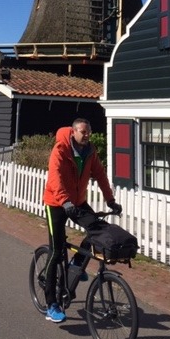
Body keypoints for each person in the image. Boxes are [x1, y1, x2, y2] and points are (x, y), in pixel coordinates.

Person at [42, 118, 122, 323]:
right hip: (56, 204)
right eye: (83, 132)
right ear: (73, 132)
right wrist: (64, 202)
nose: (87, 135)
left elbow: (101, 175)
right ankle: (52, 304)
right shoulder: (60, 149)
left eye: (89, 132)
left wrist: (110, 200)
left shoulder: (90, 152)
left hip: (77, 202)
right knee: (56, 251)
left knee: (97, 229)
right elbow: (55, 178)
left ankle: (75, 265)